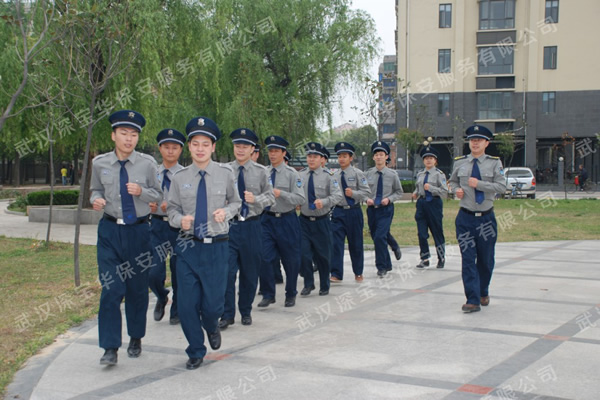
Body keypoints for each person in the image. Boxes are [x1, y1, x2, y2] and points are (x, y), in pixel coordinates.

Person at [167, 116, 241, 369]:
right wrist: (180, 220)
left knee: (213, 305)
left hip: (217, 246)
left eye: (205, 144)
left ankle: (211, 325)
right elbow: (172, 209)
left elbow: (236, 202)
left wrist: (226, 212)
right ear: (189, 147)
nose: (200, 149)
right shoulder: (179, 178)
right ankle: (196, 350)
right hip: (187, 247)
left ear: (213, 147)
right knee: (187, 304)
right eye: (195, 144)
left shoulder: (225, 174)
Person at [90, 110, 162, 366]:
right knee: (111, 288)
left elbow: (158, 195)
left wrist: (141, 191)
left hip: (139, 232)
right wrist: (96, 200)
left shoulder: (147, 164)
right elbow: (95, 189)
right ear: (113, 136)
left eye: (133, 134)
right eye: (124, 133)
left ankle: (135, 337)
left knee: (136, 289)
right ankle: (110, 347)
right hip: (110, 232)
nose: (129, 139)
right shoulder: (99, 163)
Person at [219, 128, 275, 330]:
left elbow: (271, 197)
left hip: (252, 226)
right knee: (227, 272)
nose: (240, 150)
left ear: (252, 149)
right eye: (237, 146)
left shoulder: (261, 171)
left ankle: (245, 311)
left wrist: (256, 199)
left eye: (245, 146)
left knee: (250, 273)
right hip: (229, 227)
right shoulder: (224, 170)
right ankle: (227, 314)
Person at [449, 125, 506, 313]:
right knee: (467, 259)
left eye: (479, 140)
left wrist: (479, 184)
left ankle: (483, 291)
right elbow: (453, 181)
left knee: (486, 260)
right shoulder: (460, 163)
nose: (475, 143)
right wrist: (456, 190)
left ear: (486, 143)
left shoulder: (494, 163)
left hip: (486, 219)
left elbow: (501, 187)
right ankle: (472, 299)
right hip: (465, 218)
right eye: (472, 140)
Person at [258, 136, 305, 308]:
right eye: (270, 151)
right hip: (267, 219)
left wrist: (281, 194)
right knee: (264, 257)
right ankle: (268, 294)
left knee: (290, 260)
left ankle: (290, 293)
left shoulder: (292, 174)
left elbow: (300, 198)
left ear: (283, 153)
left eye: (276, 151)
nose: (272, 154)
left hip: (287, 220)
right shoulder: (263, 172)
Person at [148, 128, 186, 325]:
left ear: (181, 150)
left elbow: (192, 203)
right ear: (160, 148)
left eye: (175, 148)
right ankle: (162, 296)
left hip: (179, 229)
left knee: (179, 270)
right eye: (166, 147)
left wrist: (173, 206)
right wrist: (147, 204)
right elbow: (141, 195)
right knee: (153, 271)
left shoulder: (186, 174)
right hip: (157, 226)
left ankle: (177, 309)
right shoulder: (151, 172)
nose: (170, 151)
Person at [298, 142, 343, 296]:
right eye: (309, 156)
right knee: (303, 254)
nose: (311, 159)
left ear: (321, 158)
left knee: (323, 256)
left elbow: (337, 196)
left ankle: (324, 284)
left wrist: (323, 202)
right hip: (304, 221)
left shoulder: (329, 176)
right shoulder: (301, 175)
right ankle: (308, 283)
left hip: (321, 221)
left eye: (315, 156)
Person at [330, 142, 371, 283]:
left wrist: (353, 193)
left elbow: (366, 192)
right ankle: (336, 273)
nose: (341, 159)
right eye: (339, 156)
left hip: (353, 212)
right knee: (336, 244)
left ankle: (358, 272)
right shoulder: (334, 175)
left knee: (356, 244)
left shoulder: (358, 174)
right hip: (338, 212)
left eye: (344, 156)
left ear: (351, 158)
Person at [365, 141, 404, 277]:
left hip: (386, 209)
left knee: (380, 236)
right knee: (377, 236)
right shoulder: (368, 174)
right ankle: (392, 250)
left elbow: (399, 192)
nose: (379, 157)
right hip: (372, 209)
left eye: (381, 154)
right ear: (373, 157)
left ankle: (381, 266)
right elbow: (363, 191)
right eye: (376, 155)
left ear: (386, 157)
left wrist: (389, 199)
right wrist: (366, 199)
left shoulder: (392, 174)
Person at [412, 146, 448, 269]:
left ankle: (441, 257)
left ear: (435, 160)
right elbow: (418, 187)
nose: (428, 160)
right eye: (426, 158)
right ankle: (425, 258)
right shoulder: (420, 174)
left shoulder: (439, 174)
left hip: (434, 203)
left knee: (437, 231)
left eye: (431, 158)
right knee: (422, 233)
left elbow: (444, 191)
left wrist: (431, 188)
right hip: (422, 204)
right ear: (423, 161)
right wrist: (416, 193)